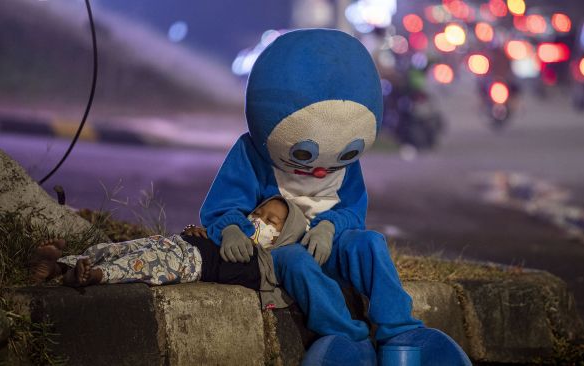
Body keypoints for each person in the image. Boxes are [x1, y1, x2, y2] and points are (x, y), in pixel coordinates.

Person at [200, 29, 471, 365]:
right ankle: (345, 336)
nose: (321, 168)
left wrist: (329, 227)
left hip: (330, 246)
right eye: (306, 154)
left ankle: (401, 331)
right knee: (295, 261)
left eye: (343, 154)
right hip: (282, 247)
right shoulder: (252, 153)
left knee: (370, 243)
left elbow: (353, 211)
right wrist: (230, 228)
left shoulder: (345, 165)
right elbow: (224, 204)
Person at [30, 197, 306, 307]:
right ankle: (60, 266)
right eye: (257, 213)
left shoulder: (264, 263)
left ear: (285, 238)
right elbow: (211, 230)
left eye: (271, 222)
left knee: (141, 264)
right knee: (121, 248)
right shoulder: (234, 233)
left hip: (189, 262)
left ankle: (93, 276)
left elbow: (275, 284)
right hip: (177, 243)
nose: (258, 221)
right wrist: (198, 231)